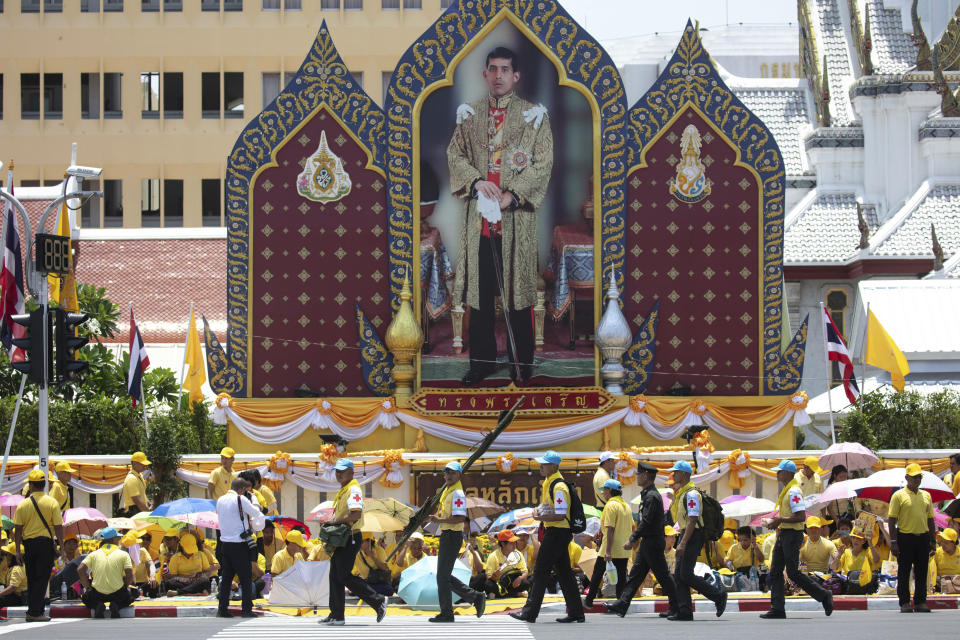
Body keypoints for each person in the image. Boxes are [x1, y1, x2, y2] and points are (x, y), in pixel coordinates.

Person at [450, 46, 554, 385]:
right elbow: (455, 155)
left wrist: (512, 195)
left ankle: (521, 364)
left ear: (516, 75)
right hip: (479, 222)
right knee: (479, 298)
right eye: (492, 69)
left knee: (517, 296)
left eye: (505, 69)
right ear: (485, 74)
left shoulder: (533, 116)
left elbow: (542, 163)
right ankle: (480, 364)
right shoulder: (470, 114)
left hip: (516, 220)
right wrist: (478, 182)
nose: (498, 75)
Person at [510, 450, 585, 624]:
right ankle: (576, 613)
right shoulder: (549, 483)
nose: (541, 467)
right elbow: (550, 507)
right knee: (565, 573)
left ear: (554, 466)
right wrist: (539, 510)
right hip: (557, 533)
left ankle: (529, 613)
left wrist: (539, 517)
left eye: (544, 464)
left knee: (540, 571)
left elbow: (559, 515)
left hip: (557, 533)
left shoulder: (558, 486)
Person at [604, 461, 678, 618]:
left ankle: (677, 606)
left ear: (646, 476)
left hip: (653, 541)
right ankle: (622, 604)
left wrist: (632, 539)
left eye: (639, 474)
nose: (637, 477)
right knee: (636, 575)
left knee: (663, 576)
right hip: (648, 542)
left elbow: (647, 521)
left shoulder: (651, 496)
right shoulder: (647, 495)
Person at [761, 459, 833, 619]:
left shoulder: (793, 491)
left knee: (792, 572)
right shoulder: (788, 490)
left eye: (780, 471)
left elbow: (800, 517)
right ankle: (777, 608)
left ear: (787, 473)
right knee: (775, 572)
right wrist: (777, 521)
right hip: (785, 533)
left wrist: (779, 520)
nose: (777, 474)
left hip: (792, 535)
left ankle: (823, 595)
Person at [320, 458, 386, 626]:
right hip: (344, 537)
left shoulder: (353, 489)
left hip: (351, 536)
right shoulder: (344, 489)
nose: (339, 474)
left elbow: (356, 514)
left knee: (342, 575)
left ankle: (377, 601)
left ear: (351, 472)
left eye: (342, 471)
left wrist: (335, 521)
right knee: (334, 575)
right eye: (337, 471)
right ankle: (336, 615)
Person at [666, 460, 727, 621]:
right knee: (680, 575)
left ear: (685, 474)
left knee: (685, 574)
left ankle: (718, 595)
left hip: (692, 536)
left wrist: (683, 543)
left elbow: (693, 520)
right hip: (687, 534)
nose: (674, 474)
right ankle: (684, 611)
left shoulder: (691, 494)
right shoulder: (682, 494)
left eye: (677, 472)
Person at [426, 461, 484, 622]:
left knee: (442, 576)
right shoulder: (448, 491)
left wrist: (439, 519)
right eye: (446, 472)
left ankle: (448, 612)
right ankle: (474, 598)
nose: (448, 475)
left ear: (459, 475)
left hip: (452, 535)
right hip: (448, 535)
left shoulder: (457, 493)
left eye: (452, 473)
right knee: (443, 576)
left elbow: (459, 517)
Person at [13, 468, 64, 622]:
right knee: (42, 578)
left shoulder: (23, 505)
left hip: (29, 544)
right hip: (45, 544)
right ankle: (36, 612)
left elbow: (18, 530)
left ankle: (33, 611)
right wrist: (60, 545)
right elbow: (58, 526)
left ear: (31, 485)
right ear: (44, 484)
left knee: (32, 577)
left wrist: (17, 550)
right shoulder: (52, 502)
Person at [888, 462, 936, 613]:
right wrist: (894, 541)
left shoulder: (926, 495)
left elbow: (930, 519)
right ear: (907, 477)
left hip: (922, 537)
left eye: (919, 477)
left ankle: (920, 601)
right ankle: (905, 603)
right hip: (905, 537)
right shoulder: (898, 495)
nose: (917, 480)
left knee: (922, 571)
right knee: (904, 571)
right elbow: (891, 519)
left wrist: (933, 540)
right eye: (914, 477)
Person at [216, 476, 262, 618]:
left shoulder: (220, 500)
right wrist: (253, 499)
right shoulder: (241, 499)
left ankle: (222, 609)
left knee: (227, 578)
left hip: (225, 545)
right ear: (241, 489)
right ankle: (246, 610)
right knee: (246, 578)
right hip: (239, 544)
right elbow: (256, 512)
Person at [584, 478, 632, 608]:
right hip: (623, 549)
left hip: (610, 547)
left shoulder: (611, 505)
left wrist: (608, 551)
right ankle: (620, 603)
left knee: (597, 573)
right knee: (621, 577)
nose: (603, 493)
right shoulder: (626, 506)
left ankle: (589, 600)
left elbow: (610, 528)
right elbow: (632, 527)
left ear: (610, 490)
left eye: (604, 490)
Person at [77, 527, 135, 619]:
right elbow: (129, 574)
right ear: (113, 539)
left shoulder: (93, 554)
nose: (120, 539)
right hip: (117, 593)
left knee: (85, 598)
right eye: (118, 537)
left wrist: (88, 587)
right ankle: (116, 605)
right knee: (133, 594)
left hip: (98, 593)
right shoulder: (123, 554)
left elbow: (80, 569)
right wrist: (125, 586)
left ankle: (97, 606)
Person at [481, 529, 529, 598]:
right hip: (499, 584)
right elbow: (488, 576)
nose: (514, 545)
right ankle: (517, 594)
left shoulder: (518, 553)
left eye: (514, 542)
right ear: (503, 544)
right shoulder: (493, 556)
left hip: (513, 583)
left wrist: (520, 578)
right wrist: (494, 577)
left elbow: (525, 572)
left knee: (526, 583)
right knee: (488, 584)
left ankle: (500, 595)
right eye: (511, 543)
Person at [164, 532, 215, 596]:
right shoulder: (175, 558)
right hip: (182, 582)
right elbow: (173, 576)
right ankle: (194, 592)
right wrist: (187, 578)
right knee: (170, 583)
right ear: (181, 546)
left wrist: (198, 574)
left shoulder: (201, 554)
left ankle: (178, 593)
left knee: (204, 581)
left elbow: (207, 571)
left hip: (196, 581)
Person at [123, 530, 159, 598]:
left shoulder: (142, 551)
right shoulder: (122, 554)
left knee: (154, 584)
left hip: (143, 583)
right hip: (127, 583)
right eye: (141, 539)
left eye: (147, 539)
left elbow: (151, 564)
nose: (142, 542)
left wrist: (152, 576)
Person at [50, 533, 84, 599]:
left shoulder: (80, 561)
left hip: (76, 593)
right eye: (69, 543)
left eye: (74, 543)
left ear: (77, 546)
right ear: (63, 545)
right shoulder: (58, 561)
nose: (71, 546)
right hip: (60, 594)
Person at [120, 452, 152, 517]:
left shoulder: (139, 475)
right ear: (134, 464)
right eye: (142, 464)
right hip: (134, 511)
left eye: (145, 464)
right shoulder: (132, 478)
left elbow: (142, 493)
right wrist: (148, 514)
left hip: (139, 510)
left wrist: (148, 503)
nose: (145, 466)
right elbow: (137, 501)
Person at [0, 543, 26, 607]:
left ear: (13, 556)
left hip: (19, 598)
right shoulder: (22, 566)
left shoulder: (17, 569)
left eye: (8, 554)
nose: (6, 557)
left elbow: (13, 587)